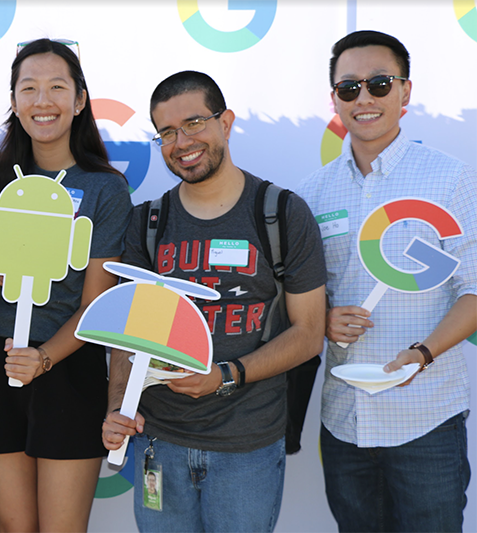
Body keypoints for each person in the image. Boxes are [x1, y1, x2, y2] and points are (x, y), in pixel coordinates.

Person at [102, 71, 327, 533]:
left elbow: (308, 334)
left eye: (194, 123)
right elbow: (128, 339)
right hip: (159, 443)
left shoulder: (282, 213)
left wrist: (224, 376)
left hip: (247, 447)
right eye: (166, 132)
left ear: (226, 122)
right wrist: (118, 409)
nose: (181, 141)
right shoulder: (148, 222)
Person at [0, 38, 132, 533]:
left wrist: (45, 357)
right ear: (14, 101)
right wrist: (1, 271)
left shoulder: (105, 187)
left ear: (79, 99)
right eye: (28, 88)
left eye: (56, 87)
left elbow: (97, 302)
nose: (42, 101)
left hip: (68, 369)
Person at [297, 30, 477, 532]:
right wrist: (324, 318)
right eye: (349, 88)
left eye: (379, 83)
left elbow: (475, 289)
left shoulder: (451, 179)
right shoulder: (311, 193)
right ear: (334, 99)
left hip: (425, 418)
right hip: (344, 419)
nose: (365, 98)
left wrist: (421, 354)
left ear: (405, 92)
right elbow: (303, 297)